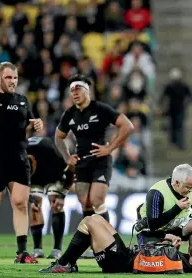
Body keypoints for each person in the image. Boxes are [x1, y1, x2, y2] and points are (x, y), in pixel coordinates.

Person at [55, 74, 133, 223]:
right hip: (81, 163)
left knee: (97, 200)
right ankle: (94, 243)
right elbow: (59, 137)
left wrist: (110, 148)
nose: (75, 93)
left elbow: (127, 126)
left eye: (78, 89)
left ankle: (108, 239)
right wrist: (67, 157)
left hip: (100, 161)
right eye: (72, 91)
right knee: (85, 204)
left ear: (87, 90)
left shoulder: (101, 109)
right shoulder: (69, 114)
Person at [0, 62, 43, 263]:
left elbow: (25, 127)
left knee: (20, 203)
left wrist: (36, 124)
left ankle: (22, 252)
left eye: (15, 78)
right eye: (8, 77)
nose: (13, 81)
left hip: (19, 159)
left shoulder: (22, 101)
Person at [38, 214, 192, 273]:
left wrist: (168, 247)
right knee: (93, 218)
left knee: (91, 223)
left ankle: (64, 264)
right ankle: (69, 263)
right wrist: (167, 241)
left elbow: (150, 264)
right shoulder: (182, 258)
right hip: (126, 253)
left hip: (118, 261)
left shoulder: (181, 265)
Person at [137, 164, 192, 255]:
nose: (191, 190)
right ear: (177, 183)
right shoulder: (157, 192)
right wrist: (177, 208)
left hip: (176, 227)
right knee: (157, 257)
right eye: (188, 187)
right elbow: (153, 224)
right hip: (153, 232)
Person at [27, 136, 75, 260]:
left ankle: (57, 249)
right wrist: (31, 199)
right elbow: (16, 184)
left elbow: (71, 170)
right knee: (34, 206)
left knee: (56, 203)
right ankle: (37, 249)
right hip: (35, 177)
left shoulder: (54, 156)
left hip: (54, 175)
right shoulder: (16, 159)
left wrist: (62, 196)